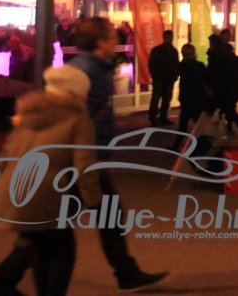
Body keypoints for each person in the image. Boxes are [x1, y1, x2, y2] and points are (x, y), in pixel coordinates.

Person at [66, 17, 168, 291]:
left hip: (86, 157)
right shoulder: (87, 71)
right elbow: (74, 117)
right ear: (100, 43)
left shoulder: (92, 68)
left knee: (97, 217)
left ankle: (126, 272)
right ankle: (126, 273)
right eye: (112, 37)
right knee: (57, 226)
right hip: (83, 159)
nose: (117, 41)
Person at [0, 65, 101, 296]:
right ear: (73, 94)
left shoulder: (28, 115)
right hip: (47, 195)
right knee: (61, 251)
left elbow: (5, 157)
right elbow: (84, 166)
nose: (86, 97)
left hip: (14, 191)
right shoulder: (77, 120)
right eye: (83, 92)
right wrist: (94, 201)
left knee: (35, 245)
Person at [175, 42, 212, 136]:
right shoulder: (199, 65)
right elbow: (205, 80)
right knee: (197, 122)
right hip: (198, 96)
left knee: (183, 124)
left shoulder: (183, 65)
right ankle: (201, 140)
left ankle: (179, 142)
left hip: (187, 96)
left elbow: (175, 74)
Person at [146, 30, 179, 127]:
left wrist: (175, 75)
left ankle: (163, 116)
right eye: (168, 37)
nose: (170, 39)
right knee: (156, 98)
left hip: (169, 79)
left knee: (166, 99)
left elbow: (176, 64)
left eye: (171, 37)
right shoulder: (157, 50)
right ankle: (153, 117)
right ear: (164, 38)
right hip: (159, 79)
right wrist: (155, 76)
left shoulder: (173, 51)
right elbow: (152, 64)